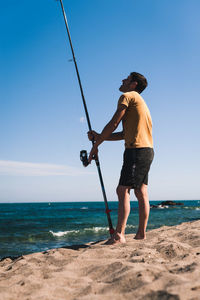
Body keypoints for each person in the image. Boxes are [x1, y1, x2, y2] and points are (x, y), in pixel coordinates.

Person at [87, 72, 154, 244]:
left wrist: (96, 146)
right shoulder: (140, 102)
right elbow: (124, 133)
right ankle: (140, 234)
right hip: (146, 151)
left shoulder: (127, 96)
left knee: (122, 190)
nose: (122, 80)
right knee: (140, 191)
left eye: (126, 79)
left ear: (133, 84)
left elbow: (114, 123)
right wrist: (99, 136)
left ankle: (119, 235)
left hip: (135, 151)